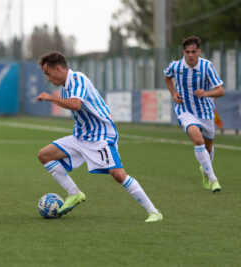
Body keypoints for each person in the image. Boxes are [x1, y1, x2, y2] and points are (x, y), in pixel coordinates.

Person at [35, 52, 162, 222]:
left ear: (58, 68)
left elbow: (76, 104)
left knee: (118, 174)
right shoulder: (65, 87)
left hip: (100, 135)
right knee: (44, 155)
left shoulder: (77, 79)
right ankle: (74, 193)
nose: (48, 79)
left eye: (48, 74)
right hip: (81, 136)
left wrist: (50, 97)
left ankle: (154, 211)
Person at [164, 36, 225, 193]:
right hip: (185, 110)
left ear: (198, 51)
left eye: (193, 52)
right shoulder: (176, 66)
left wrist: (206, 93)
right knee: (198, 140)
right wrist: (173, 93)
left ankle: (205, 171)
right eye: (187, 52)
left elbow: (220, 91)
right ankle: (213, 179)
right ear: (183, 52)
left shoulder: (207, 66)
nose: (190, 55)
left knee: (209, 146)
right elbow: (167, 76)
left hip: (205, 112)